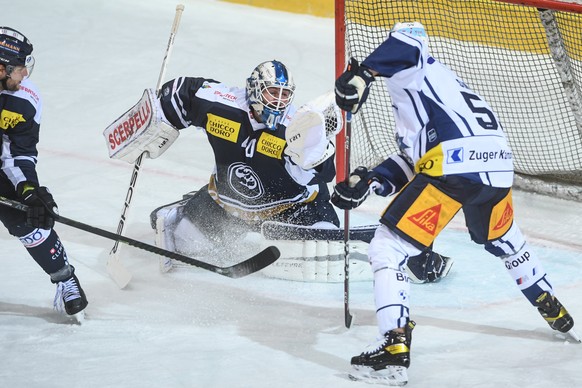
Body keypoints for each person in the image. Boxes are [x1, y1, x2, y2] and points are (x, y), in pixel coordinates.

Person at [333, 21, 578, 384]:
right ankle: (551, 306)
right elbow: (412, 161)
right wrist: (370, 181)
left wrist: (363, 73)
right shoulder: (439, 91)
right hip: (495, 168)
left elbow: (409, 39)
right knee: (506, 240)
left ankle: (393, 349)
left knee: (387, 248)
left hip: (456, 164)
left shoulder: (416, 67)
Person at [135, 59, 450, 282]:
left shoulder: (298, 126)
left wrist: (312, 154)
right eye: (274, 92)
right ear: (256, 90)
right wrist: (158, 117)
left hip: (294, 210)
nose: (280, 101)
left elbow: (326, 174)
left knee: (326, 255)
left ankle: (412, 254)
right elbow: (182, 91)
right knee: (188, 245)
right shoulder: (223, 105)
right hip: (227, 205)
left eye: (286, 94)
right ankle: (181, 211)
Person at [0, 27, 88, 316]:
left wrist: (29, 191)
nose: (25, 74)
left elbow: (19, 152)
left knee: (29, 217)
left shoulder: (25, 98)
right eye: (20, 67)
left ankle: (65, 278)